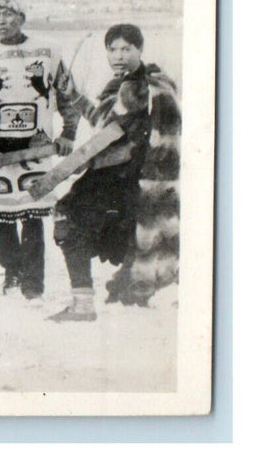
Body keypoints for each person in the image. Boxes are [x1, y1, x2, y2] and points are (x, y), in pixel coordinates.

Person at [50, 24, 181, 320]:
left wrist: (85, 162)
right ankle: (132, 287)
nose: (118, 55)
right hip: (136, 179)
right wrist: (75, 96)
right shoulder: (139, 85)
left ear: (140, 50)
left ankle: (83, 305)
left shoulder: (136, 88)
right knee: (127, 234)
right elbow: (107, 123)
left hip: (125, 177)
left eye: (126, 48)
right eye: (112, 49)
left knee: (67, 218)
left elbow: (114, 133)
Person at [0, 0, 80, 301]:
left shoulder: (48, 50)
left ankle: (33, 282)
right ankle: (12, 271)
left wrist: (69, 130)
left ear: (21, 17)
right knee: (2, 215)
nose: (2, 21)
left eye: (8, 14)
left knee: (32, 214)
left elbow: (67, 94)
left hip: (38, 145)